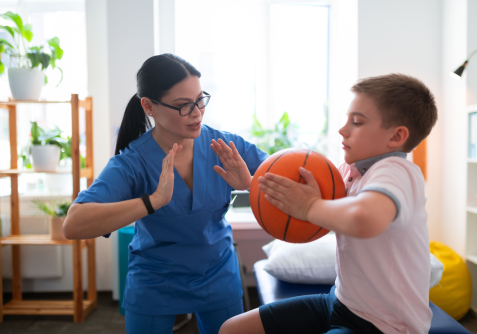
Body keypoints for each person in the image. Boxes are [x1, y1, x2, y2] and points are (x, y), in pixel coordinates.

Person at [63, 54, 268, 334]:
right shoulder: (133, 162)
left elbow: (289, 183)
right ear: (149, 106)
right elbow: (74, 224)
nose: (196, 112)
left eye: (200, 100)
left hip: (216, 273)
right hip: (155, 280)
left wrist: (249, 182)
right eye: (183, 105)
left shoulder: (225, 147)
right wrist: (153, 201)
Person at [219, 73, 438, 334]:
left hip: (386, 326)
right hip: (341, 303)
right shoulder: (349, 169)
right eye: (347, 119)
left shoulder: (397, 172)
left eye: (356, 122)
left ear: (396, 136)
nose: (342, 129)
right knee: (232, 329)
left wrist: (309, 207)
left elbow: (364, 219)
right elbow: (301, 193)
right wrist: (251, 183)